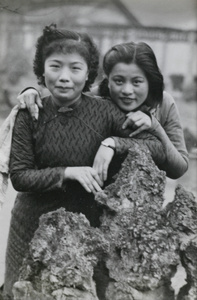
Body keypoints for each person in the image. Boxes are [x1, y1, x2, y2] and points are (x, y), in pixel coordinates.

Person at [2, 25, 165, 299]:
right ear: (42, 70)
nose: (64, 77)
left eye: (75, 69)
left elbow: (156, 148)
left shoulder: (105, 112)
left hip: (89, 231)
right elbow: (20, 176)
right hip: (30, 226)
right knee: (23, 291)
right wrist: (68, 172)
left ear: (88, 73)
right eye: (55, 66)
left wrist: (114, 142)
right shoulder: (29, 113)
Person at [19, 41, 188, 179]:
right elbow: (60, 93)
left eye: (137, 82)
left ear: (150, 81)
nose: (127, 90)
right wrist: (31, 91)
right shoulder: (95, 98)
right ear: (107, 80)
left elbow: (178, 169)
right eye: (119, 81)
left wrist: (154, 125)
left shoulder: (164, 103)